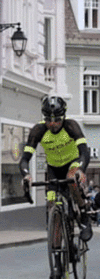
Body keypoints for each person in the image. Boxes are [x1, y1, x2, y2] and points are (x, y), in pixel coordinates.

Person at [19, 96, 92, 243]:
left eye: (57, 119)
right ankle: (57, 244)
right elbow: (25, 159)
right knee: (51, 201)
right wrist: (26, 175)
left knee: (72, 178)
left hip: (73, 162)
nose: (52, 124)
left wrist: (80, 169)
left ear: (63, 116)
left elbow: (84, 152)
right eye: (48, 119)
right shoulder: (38, 130)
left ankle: (84, 214)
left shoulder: (71, 126)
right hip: (53, 167)